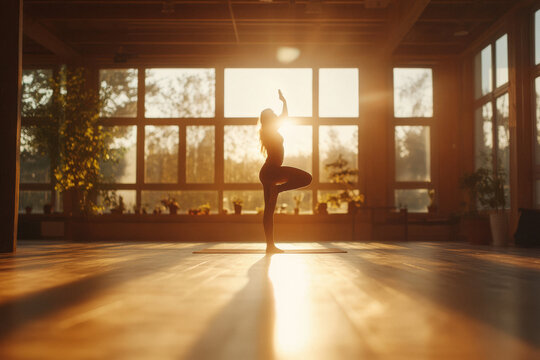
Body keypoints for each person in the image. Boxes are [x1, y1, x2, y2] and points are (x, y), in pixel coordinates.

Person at [258, 90, 312, 253]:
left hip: (269, 172)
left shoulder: (270, 131)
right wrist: (284, 103)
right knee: (306, 178)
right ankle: (278, 189)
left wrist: (284, 102)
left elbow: (284, 117)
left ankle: (270, 246)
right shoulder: (268, 131)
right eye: (273, 114)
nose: (276, 116)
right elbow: (284, 117)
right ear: (268, 119)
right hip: (271, 171)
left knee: (269, 209)